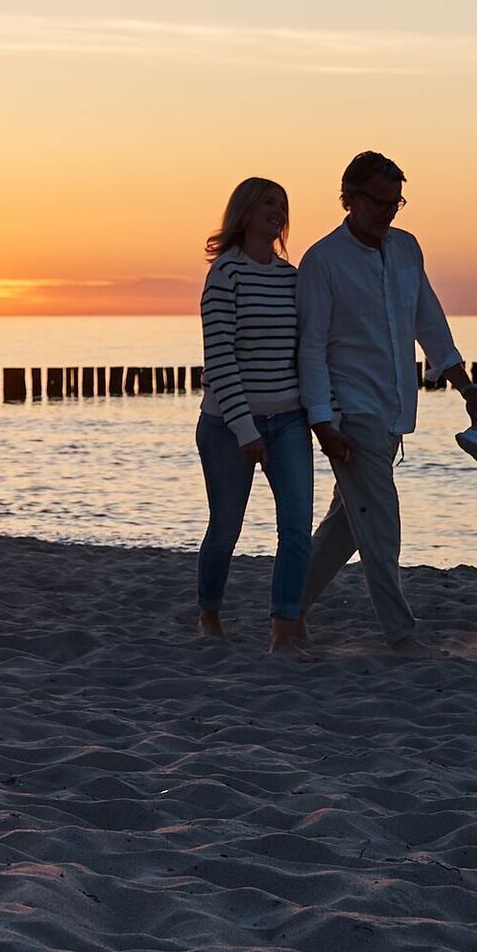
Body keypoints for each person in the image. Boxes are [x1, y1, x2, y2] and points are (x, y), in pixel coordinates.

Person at [294, 149, 477, 650]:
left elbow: (429, 321)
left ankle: (287, 609)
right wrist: (322, 422)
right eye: (380, 202)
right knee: (380, 522)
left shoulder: (406, 249)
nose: (388, 211)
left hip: (393, 411)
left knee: (346, 525)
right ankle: (400, 633)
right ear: (350, 199)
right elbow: (311, 347)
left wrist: (466, 387)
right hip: (349, 411)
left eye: (396, 202)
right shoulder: (322, 261)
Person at [193, 176, 314, 641]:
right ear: (243, 212)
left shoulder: (292, 278)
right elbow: (219, 359)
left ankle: (285, 627)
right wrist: (246, 431)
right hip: (226, 425)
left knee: (297, 529)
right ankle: (209, 614)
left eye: (283, 204)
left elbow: (306, 350)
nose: (278, 210)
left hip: (288, 420)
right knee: (225, 530)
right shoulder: (226, 275)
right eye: (268, 202)